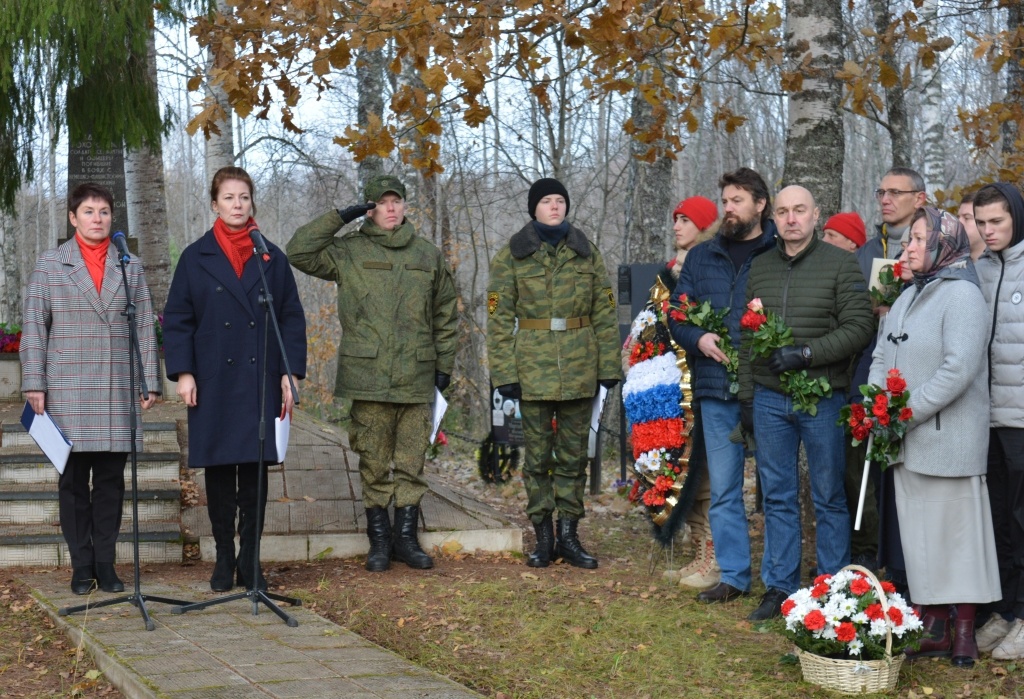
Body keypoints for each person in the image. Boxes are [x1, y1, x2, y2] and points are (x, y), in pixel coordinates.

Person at [287, 175, 456, 573]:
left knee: (411, 462)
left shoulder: (427, 256)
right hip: (368, 375)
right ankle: (379, 542)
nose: (391, 208)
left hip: (416, 375)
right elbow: (298, 251)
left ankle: (406, 540)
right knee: (375, 462)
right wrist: (339, 218)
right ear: (370, 208)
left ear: (405, 206)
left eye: (397, 201)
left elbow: (446, 315)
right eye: (383, 202)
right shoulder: (349, 252)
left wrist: (443, 366)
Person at [164, 166, 307, 592]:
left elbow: (291, 318)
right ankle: (224, 556)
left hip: (259, 378)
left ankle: (250, 558)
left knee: (256, 471)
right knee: (222, 472)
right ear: (214, 204)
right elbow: (178, 319)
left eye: (243, 197)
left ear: (252, 203)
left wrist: (289, 373)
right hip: (212, 380)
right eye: (228, 197)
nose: (237, 205)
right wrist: (184, 373)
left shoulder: (271, 257)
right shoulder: (195, 256)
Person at [869, 206, 1000, 667]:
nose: (908, 249)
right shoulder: (907, 296)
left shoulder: (963, 295)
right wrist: (877, 401)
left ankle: (964, 632)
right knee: (922, 539)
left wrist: (903, 413)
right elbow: (883, 355)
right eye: (908, 241)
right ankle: (934, 628)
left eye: (917, 240)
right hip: (907, 439)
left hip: (949, 439)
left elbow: (958, 370)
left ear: (944, 243)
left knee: (959, 540)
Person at [739, 185, 874, 621]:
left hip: (823, 399)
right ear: (773, 218)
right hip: (769, 398)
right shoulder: (758, 267)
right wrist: (746, 397)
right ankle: (780, 585)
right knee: (777, 495)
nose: (791, 219)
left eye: (800, 210)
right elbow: (746, 335)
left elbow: (859, 327)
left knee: (829, 494)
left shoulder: (840, 264)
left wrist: (807, 354)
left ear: (816, 216)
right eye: (783, 211)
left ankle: (832, 589)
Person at [20, 182, 161, 595]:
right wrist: (34, 383)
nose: (97, 219)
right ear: (72, 217)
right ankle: (82, 566)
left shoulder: (129, 264)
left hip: (116, 384)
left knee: (112, 483)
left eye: (103, 211)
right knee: (73, 482)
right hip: (67, 387)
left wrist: (149, 379)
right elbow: (33, 327)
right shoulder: (50, 265)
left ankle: (107, 562)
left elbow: (144, 327)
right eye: (88, 211)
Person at [486, 177, 620, 569]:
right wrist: (503, 373)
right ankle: (543, 538)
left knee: (574, 458)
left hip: (581, 367)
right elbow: (497, 320)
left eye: (560, 200)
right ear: (534, 208)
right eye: (547, 201)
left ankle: (569, 536)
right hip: (532, 369)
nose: (555, 207)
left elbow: (605, 314)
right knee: (538, 458)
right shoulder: (511, 256)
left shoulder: (586, 253)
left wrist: (609, 366)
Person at [668, 168, 777, 604]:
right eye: (726, 201)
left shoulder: (777, 252)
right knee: (726, 489)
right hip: (715, 389)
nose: (728, 209)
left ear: (759, 204)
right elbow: (678, 314)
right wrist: (698, 337)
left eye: (737, 201)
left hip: (767, 388)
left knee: (776, 487)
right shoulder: (702, 256)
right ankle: (733, 575)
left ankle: (779, 580)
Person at [653, 196, 719, 589]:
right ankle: (699, 551)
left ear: (704, 226)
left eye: (685, 220)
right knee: (686, 473)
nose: (677, 226)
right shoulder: (669, 272)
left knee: (706, 476)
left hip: (701, 383)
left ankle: (713, 556)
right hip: (671, 389)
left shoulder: (707, 269)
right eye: (675, 219)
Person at [974, 182, 1024, 659]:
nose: (988, 232)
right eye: (982, 222)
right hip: (984, 417)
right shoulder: (979, 270)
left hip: (1022, 418)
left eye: (998, 222)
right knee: (997, 521)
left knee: (1022, 517)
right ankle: (1006, 609)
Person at [958, 191, 986, 261]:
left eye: (967, 218)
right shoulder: (946, 266)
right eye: (958, 217)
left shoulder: (1005, 268)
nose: (958, 222)